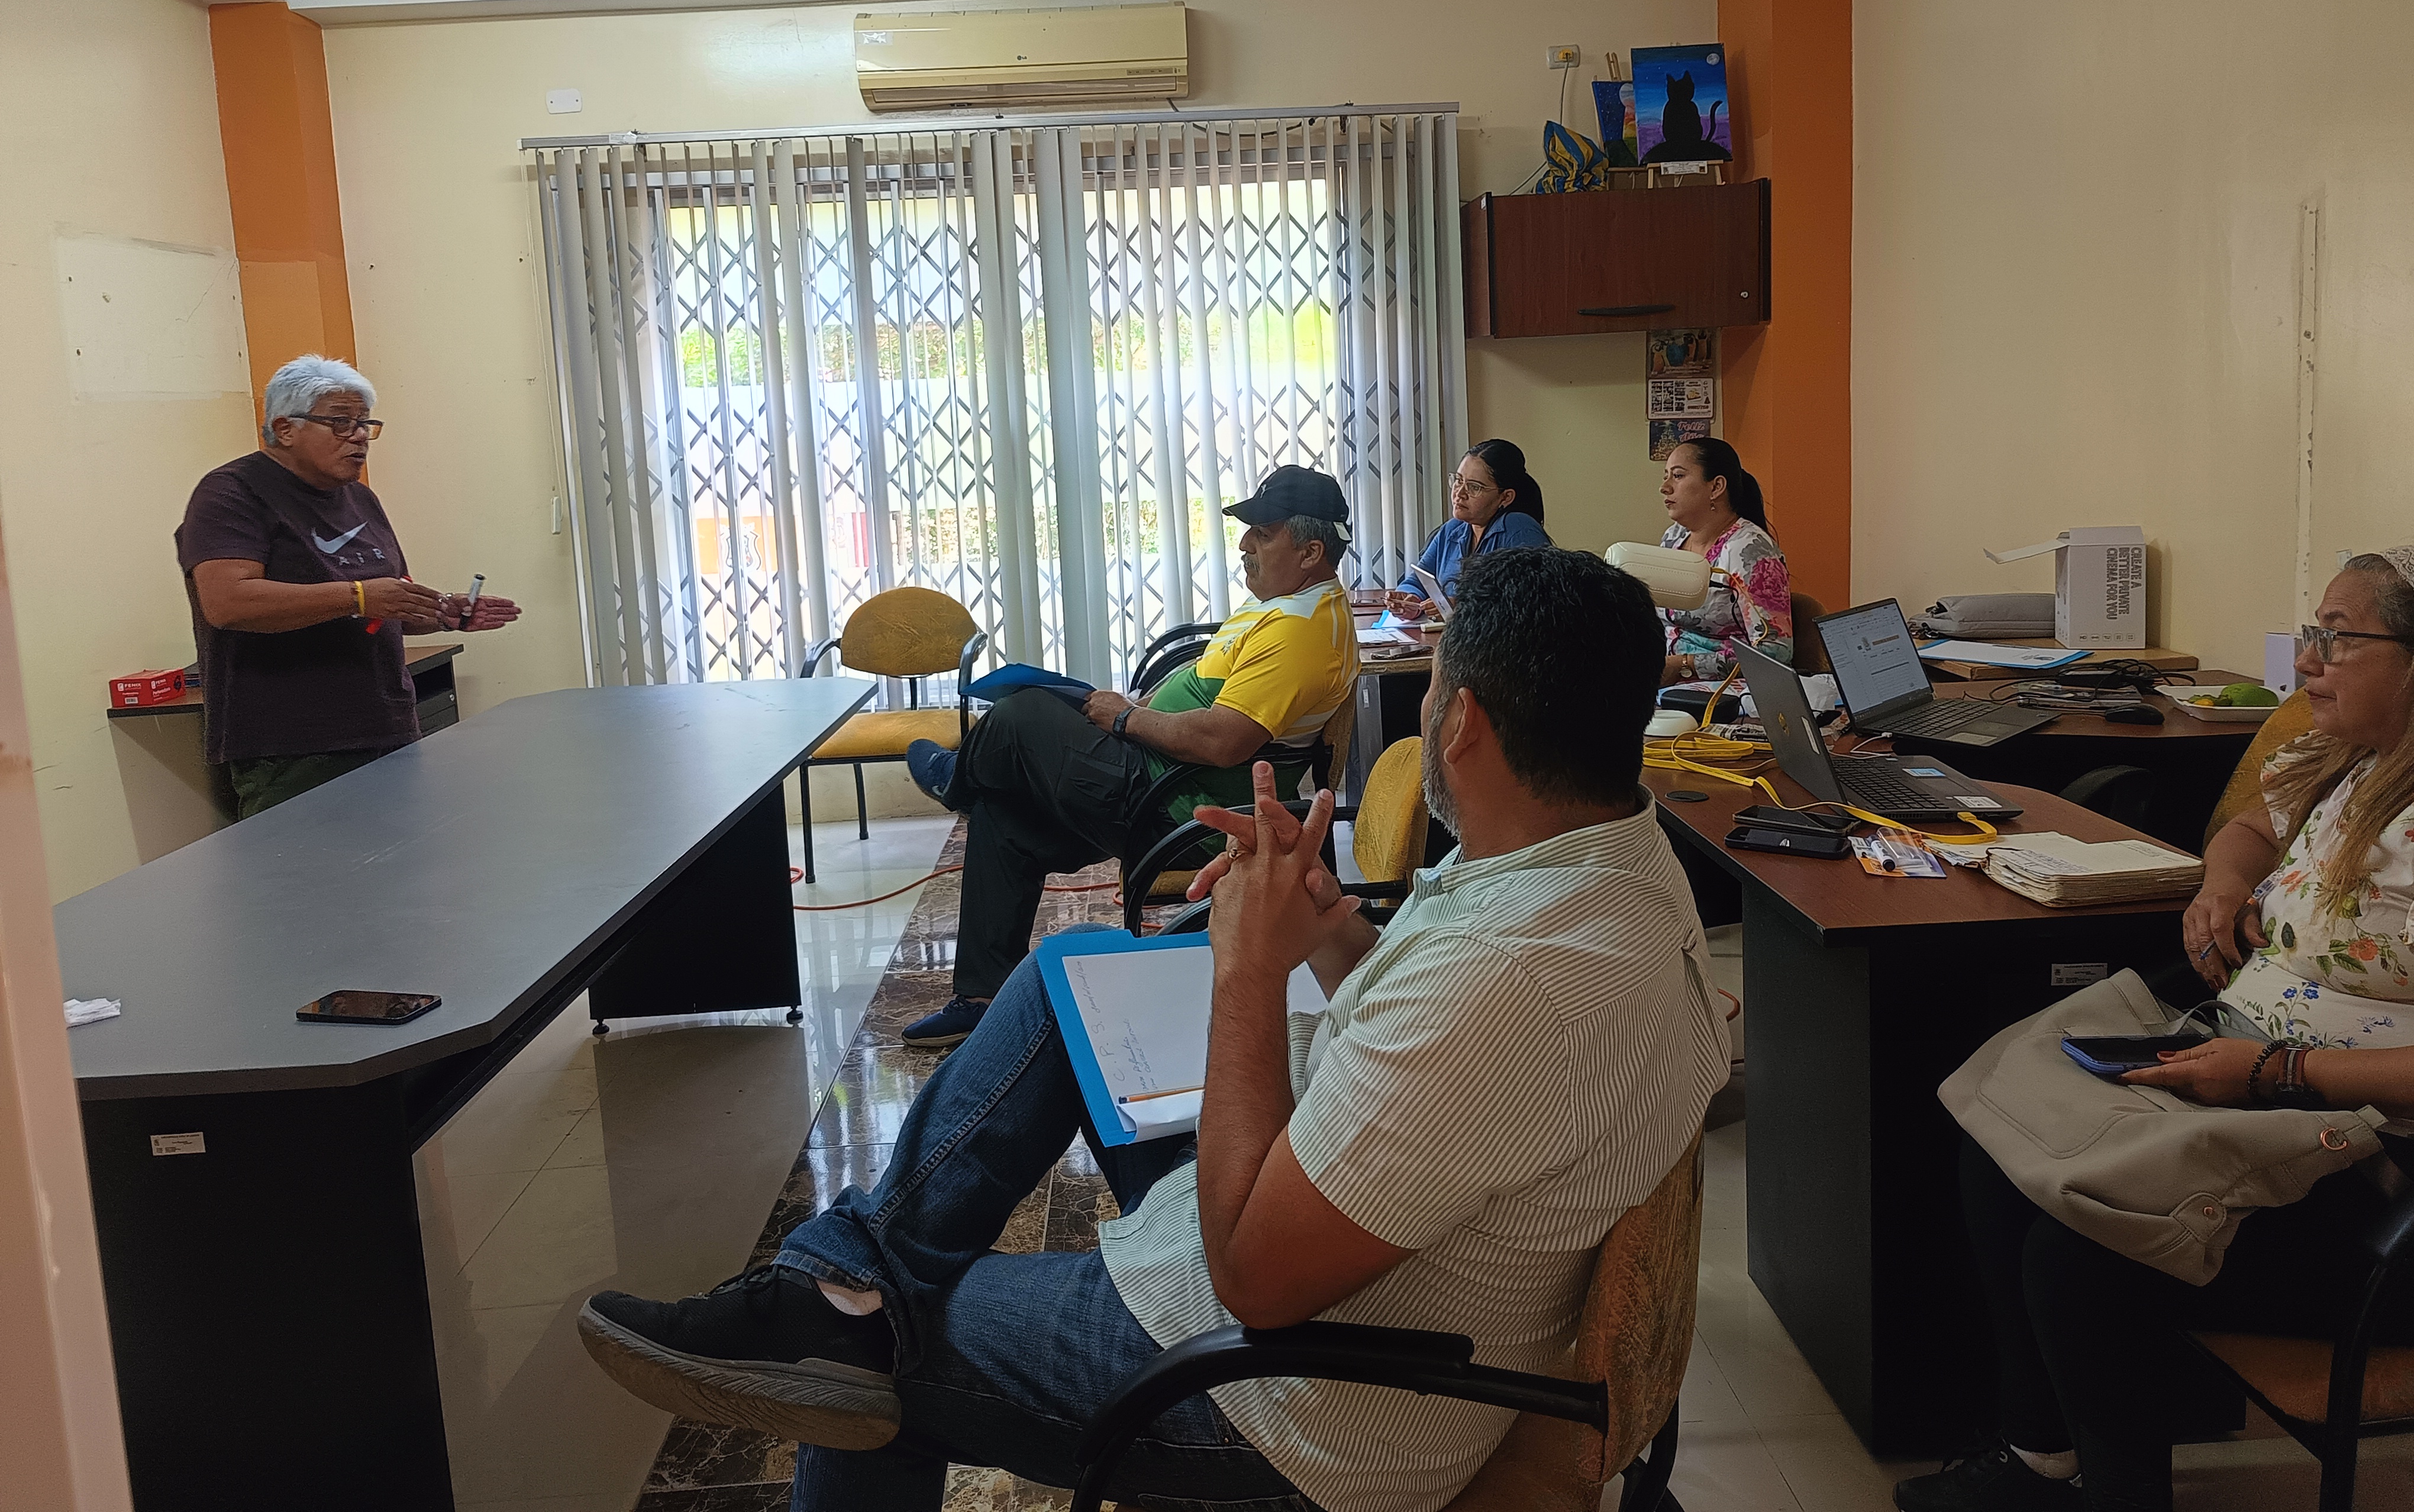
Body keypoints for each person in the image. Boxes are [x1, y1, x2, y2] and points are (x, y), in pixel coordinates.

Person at [577, 546, 1729, 1512]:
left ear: (1462, 722)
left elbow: (1257, 1281)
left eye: (1432, 698)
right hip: (1350, 1218)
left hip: (1297, 1402)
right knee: (1068, 976)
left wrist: (1249, 973)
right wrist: (1330, 930)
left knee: (888, 1348)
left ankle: (839, 1308)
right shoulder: (1612, 870)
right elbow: (1460, 1058)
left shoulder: (1511, 975)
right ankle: (847, 1271)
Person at [1897, 548, 2414, 1512]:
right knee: (1999, 1149)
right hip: (2257, 1080)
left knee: (2083, 1253)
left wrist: (2274, 1072)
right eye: (2313, 632)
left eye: (2339, 638)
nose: (2308, 659)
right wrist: (2223, 884)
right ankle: (2041, 1460)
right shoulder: (2347, 756)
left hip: (2371, 1164)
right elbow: (2250, 826)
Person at [895, 464, 1360, 1049]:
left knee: (1020, 715)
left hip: (1180, 809)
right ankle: (980, 1001)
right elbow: (1214, 695)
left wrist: (1124, 718)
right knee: (1003, 817)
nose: (1245, 545)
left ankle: (954, 780)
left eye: (1263, 534)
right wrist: (1138, 707)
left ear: (1311, 552)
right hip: (1162, 778)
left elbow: (1224, 741)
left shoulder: (1301, 632)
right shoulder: (1289, 605)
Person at [178, 354, 521, 819]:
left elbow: (384, 603)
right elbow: (228, 602)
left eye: (365, 423)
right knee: (312, 866)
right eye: (341, 422)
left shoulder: (359, 498)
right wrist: (359, 596)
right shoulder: (232, 493)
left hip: (387, 727)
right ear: (285, 429)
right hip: (292, 746)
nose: (359, 436)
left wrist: (441, 611)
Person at [1655, 436, 1792, 684]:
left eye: (1678, 476)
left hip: (1724, 689)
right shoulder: (1673, 538)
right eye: (1666, 476)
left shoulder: (1750, 551)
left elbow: (1774, 653)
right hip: (1665, 680)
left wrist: (1684, 665)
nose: (1665, 487)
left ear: (1716, 487)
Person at [1389, 438, 1551, 619]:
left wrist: (1465, 606)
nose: (1459, 493)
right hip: (1451, 635)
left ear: (1505, 497)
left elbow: (1537, 601)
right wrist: (1411, 599)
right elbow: (1418, 580)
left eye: (1474, 487)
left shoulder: (1519, 529)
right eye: (1459, 481)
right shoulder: (1452, 529)